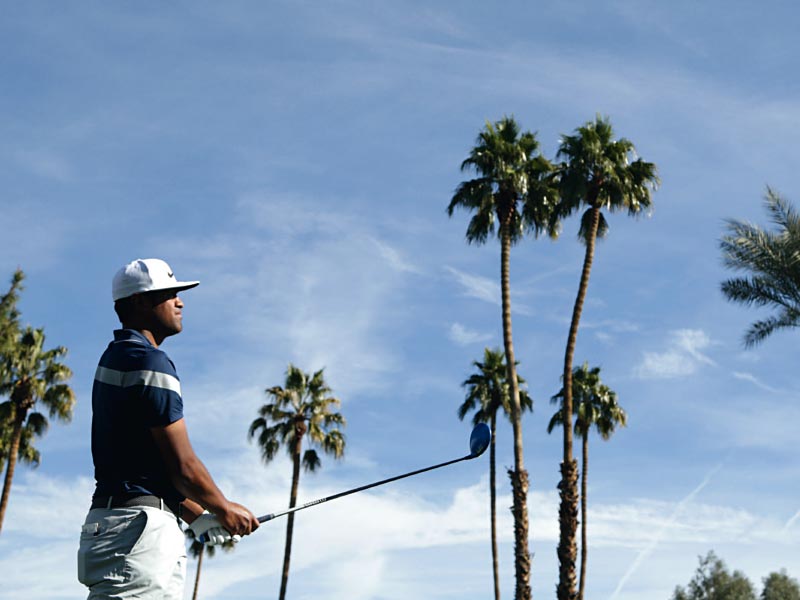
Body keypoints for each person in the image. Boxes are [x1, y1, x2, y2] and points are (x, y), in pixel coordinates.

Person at [77, 258, 259, 599]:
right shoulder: (150, 361)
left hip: (118, 523)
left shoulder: (116, 356)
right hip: (139, 534)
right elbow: (183, 467)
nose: (180, 302)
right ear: (140, 302)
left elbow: (143, 465)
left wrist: (198, 516)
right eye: (169, 294)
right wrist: (224, 508)